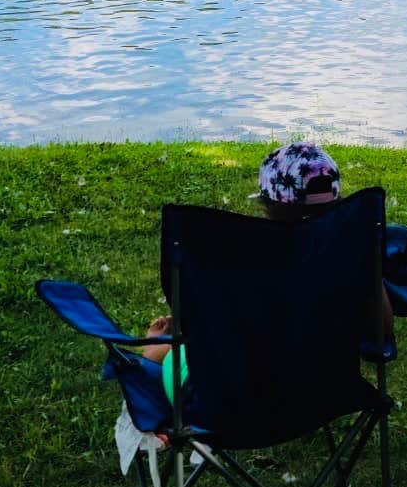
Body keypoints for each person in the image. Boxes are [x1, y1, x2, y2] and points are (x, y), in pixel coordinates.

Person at [141, 142, 345, 396]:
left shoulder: (248, 259)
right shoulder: (349, 256)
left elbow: (219, 335)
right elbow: (381, 331)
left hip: (231, 400)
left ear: (269, 204)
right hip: (321, 392)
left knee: (176, 352)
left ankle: (152, 352)